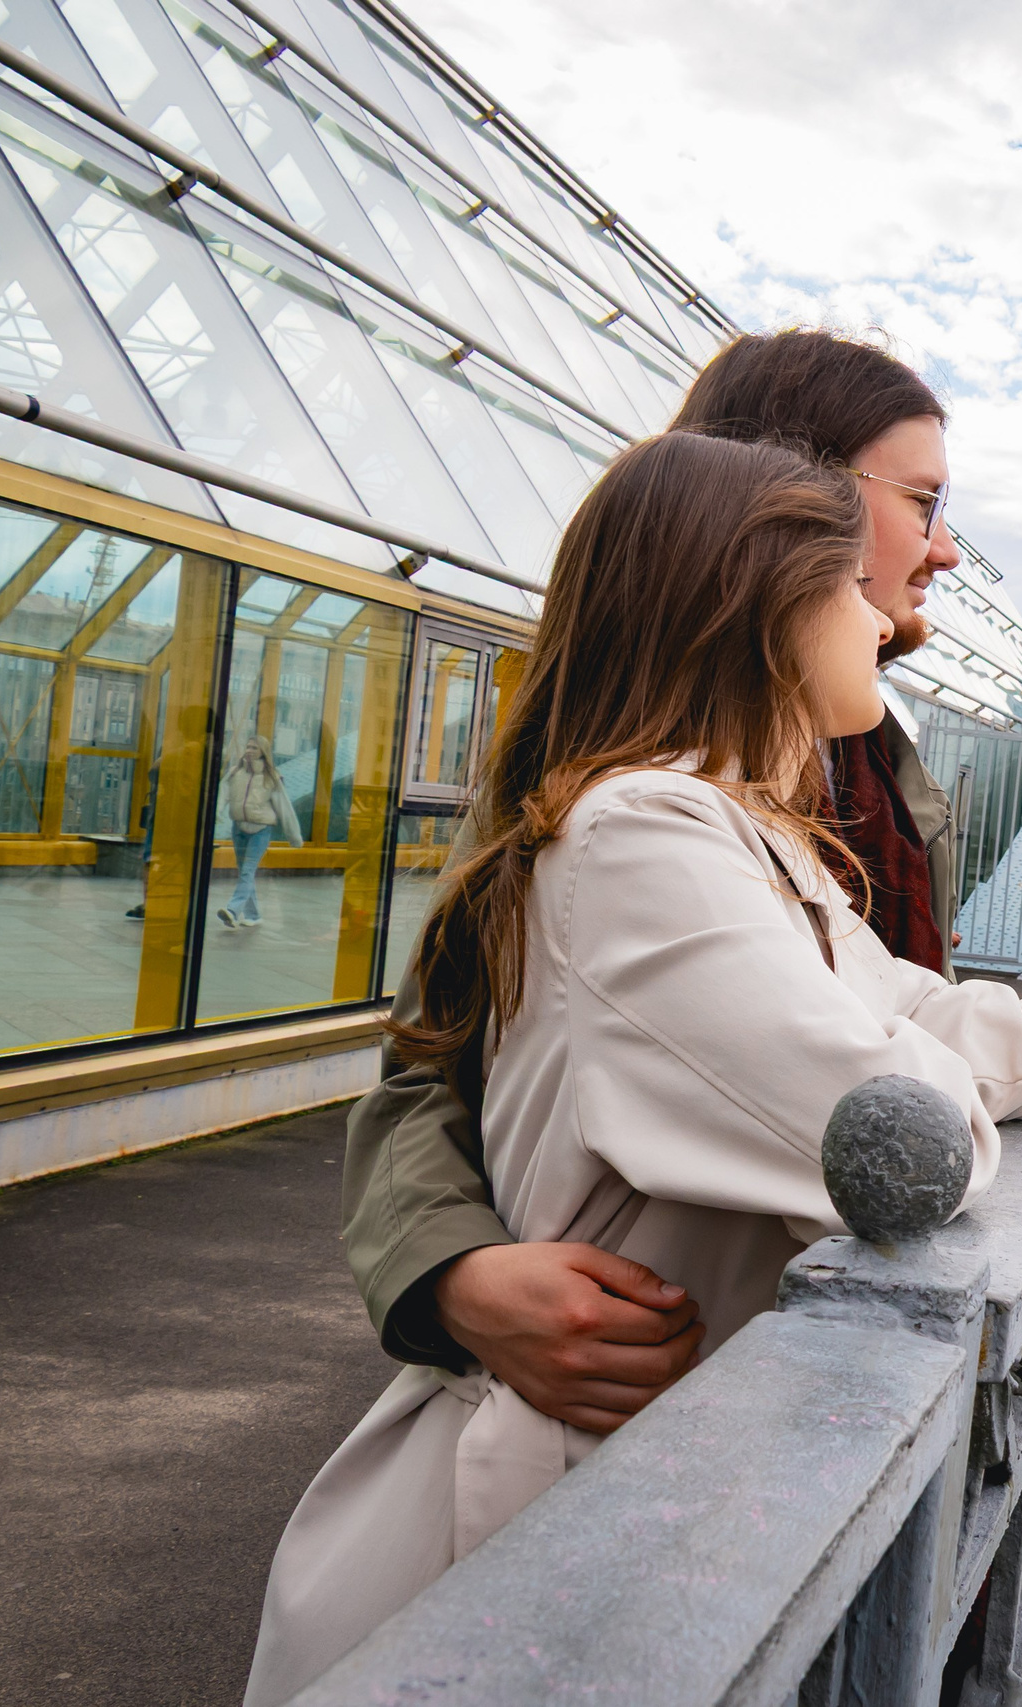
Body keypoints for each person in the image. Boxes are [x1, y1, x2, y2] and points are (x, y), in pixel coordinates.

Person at [243, 432, 1022, 1703]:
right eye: (849, 582)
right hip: (523, 1559)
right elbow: (917, 1132)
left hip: (633, 1509)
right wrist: (938, 1077)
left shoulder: (743, 842)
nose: (883, 611)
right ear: (757, 605)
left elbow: (993, 1049)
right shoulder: (645, 840)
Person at [340, 331, 967, 1430]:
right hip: (659, 1369)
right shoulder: (620, 778)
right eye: (922, 500)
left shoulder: (866, 742)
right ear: (794, 495)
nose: (946, 549)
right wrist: (453, 1274)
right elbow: (430, 1057)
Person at [218, 736, 300, 930]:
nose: (249, 750)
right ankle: (253, 915)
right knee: (245, 872)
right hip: (238, 828)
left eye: (254, 747)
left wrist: (294, 837)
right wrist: (216, 814)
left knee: (247, 870)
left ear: (263, 752)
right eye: (247, 746)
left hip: (261, 830)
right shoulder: (235, 772)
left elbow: (284, 807)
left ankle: (233, 910)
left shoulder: (272, 777)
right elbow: (222, 795)